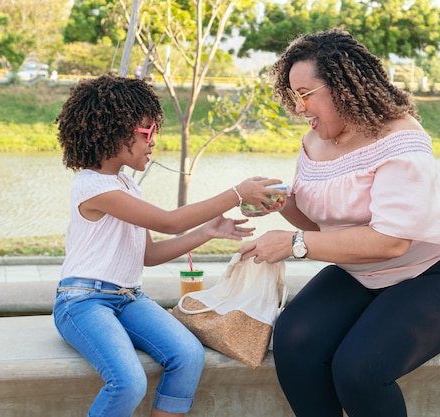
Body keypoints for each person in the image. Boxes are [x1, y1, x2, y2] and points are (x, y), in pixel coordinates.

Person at [238, 29, 440, 417]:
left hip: (427, 277)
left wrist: (294, 243)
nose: (299, 108)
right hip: (357, 275)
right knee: (293, 341)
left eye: (305, 94)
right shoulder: (314, 142)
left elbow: (391, 243)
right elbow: (317, 227)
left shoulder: (401, 140)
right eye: (293, 96)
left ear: (343, 86)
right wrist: (281, 203)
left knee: (359, 369)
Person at [53, 73, 284, 417]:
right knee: (128, 381)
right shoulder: (91, 186)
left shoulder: (128, 186)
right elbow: (168, 221)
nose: (153, 141)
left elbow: (149, 255)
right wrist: (236, 194)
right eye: (147, 132)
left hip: (128, 299)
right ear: (116, 130)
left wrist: (207, 232)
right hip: (83, 301)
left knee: (189, 356)